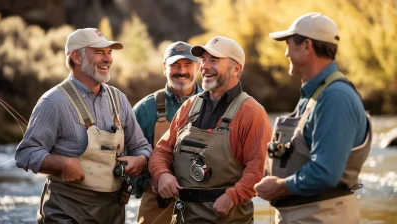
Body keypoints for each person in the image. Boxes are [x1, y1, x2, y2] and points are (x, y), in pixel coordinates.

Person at [14, 28, 152, 224]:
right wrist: (62, 164)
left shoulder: (119, 99)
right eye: (99, 52)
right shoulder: (53, 102)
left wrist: (141, 159)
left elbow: (142, 147)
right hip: (65, 212)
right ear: (76, 57)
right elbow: (25, 154)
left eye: (109, 52)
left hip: (113, 212)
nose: (108, 59)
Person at [254, 12, 372, 223]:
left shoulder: (335, 98)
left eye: (289, 45)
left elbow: (325, 172)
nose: (286, 53)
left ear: (307, 46)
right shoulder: (314, 96)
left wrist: (279, 187)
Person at [149, 36, 272, 223]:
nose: (204, 67)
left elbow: (258, 168)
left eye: (214, 60)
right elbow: (162, 150)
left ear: (236, 69)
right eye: (203, 60)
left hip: (229, 217)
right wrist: (162, 174)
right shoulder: (189, 106)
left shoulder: (253, 113)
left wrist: (233, 196)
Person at [132, 41, 203, 224]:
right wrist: (150, 182)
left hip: (204, 203)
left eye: (188, 65)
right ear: (165, 68)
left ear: (198, 67)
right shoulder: (145, 109)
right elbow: (128, 158)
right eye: (175, 65)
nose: (182, 71)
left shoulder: (216, 104)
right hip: (157, 203)